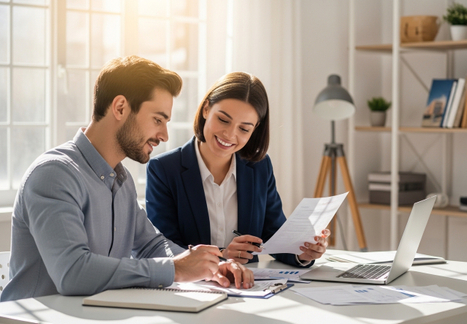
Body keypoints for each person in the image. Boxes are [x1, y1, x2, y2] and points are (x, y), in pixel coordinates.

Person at [1, 56, 253, 302]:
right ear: (120, 107)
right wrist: (176, 269)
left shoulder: (121, 180)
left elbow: (150, 245)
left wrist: (211, 266)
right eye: (158, 120)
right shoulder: (54, 174)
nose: (164, 135)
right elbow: (73, 272)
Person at [146, 72, 330, 267]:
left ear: (255, 129)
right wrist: (223, 255)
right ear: (206, 109)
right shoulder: (164, 169)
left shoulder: (259, 167)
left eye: (244, 129)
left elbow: (275, 235)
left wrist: (303, 251)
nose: (230, 134)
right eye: (223, 120)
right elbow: (163, 248)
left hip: (249, 287)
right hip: (192, 289)